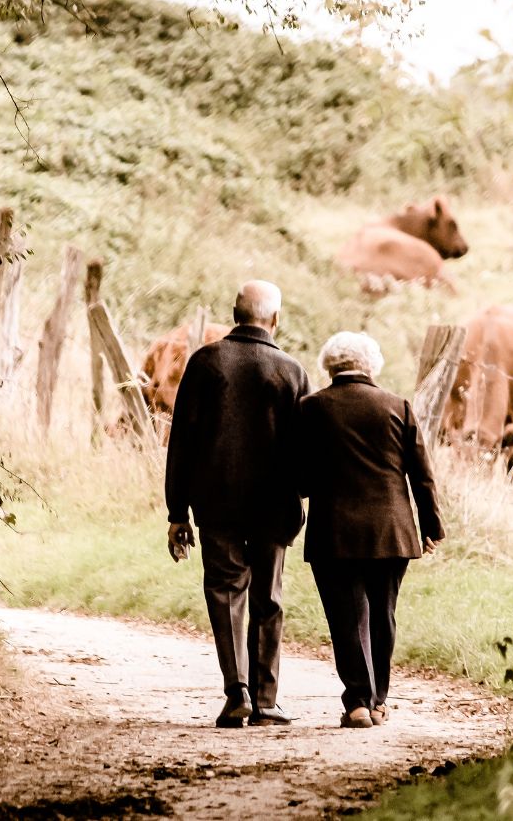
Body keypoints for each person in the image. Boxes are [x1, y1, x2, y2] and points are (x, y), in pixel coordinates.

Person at [165, 280, 312, 728]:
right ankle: (267, 701)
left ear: (234, 313)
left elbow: (182, 442)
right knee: (268, 596)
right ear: (276, 319)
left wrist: (177, 512)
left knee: (226, 593)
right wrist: (301, 496)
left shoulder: (206, 362)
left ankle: (237, 693)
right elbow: (304, 449)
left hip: (216, 502)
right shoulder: (291, 371)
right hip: (274, 505)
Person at [298, 331, 443, 729]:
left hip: (334, 532)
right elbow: (422, 475)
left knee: (346, 617)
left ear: (329, 365)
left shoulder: (311, 408)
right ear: (372, 365)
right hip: (392, 530)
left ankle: (357, 702)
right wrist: (431, 525)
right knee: (383, 614)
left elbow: (301, 477)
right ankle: (378, 701)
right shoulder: (398, 406)